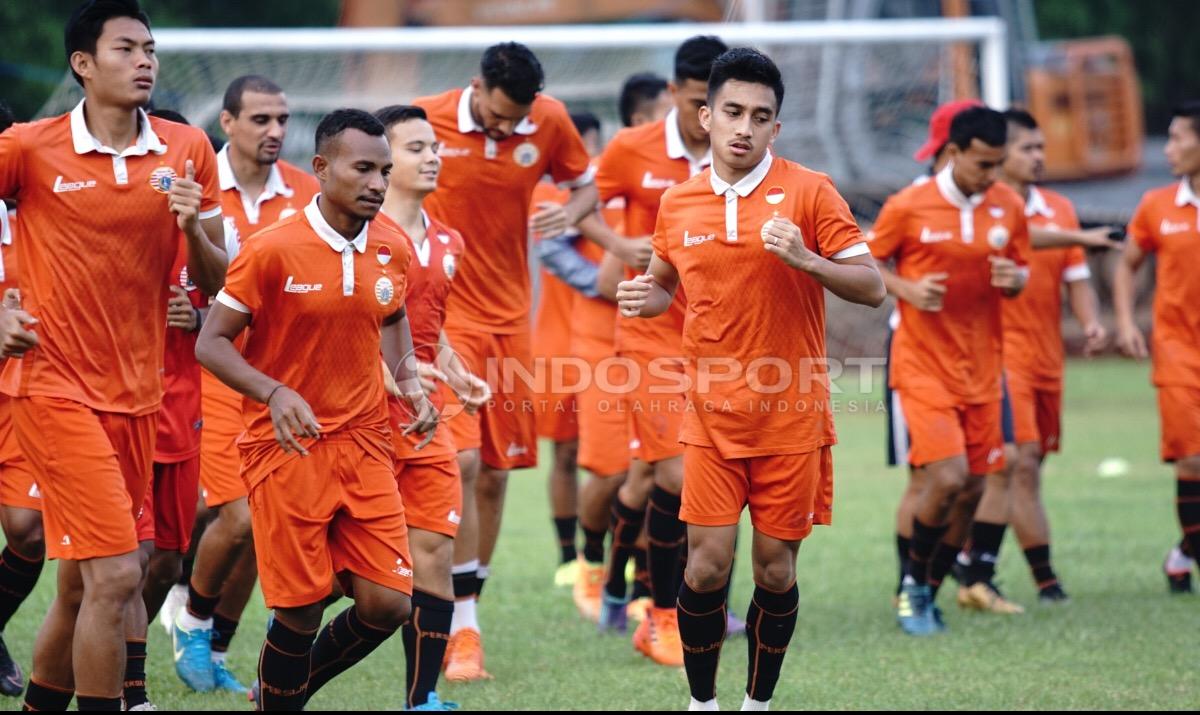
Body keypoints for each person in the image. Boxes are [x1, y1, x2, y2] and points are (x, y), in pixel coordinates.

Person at [617, 47, 883, 710]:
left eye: (760, 116)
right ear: (706, 116)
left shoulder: (809, 190)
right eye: (732, 111)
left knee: (774, 567)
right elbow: (663, 286)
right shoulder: (677, 203)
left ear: (776, 129)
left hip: (790, 413)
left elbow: (873, 286)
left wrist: (807, 260)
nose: (744, 126)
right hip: (709, 414)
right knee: (705, 565)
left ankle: (756, 703)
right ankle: (702, 702)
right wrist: (643, 297)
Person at [0, 2, 227, 708]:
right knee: (118, 576)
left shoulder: (188, 149)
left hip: (140, 396)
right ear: (83, 64)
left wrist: (194, 230)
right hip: (51, 386)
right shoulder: (28, 147)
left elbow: (221, 282)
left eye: (150, 48)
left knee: (78, 586)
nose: (145, 60)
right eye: (126, 47)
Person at [196, 108, 437, 710]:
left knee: (388, 602)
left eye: (384, 169)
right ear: (322, 169)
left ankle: (281, 691)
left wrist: (410, 384)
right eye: (364, 168)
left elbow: (394, 316)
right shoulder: (272, 249)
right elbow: (211, 342)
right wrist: (274, 392)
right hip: (287, 449)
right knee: (299, 614)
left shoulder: (393, 246)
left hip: (365, 443)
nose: (379, 182)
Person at [414, 42, 619, 681]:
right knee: (460, 460)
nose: (507, 132)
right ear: (476, 86)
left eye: (516, 121)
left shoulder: (549, 121)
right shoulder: (424, 122)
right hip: (444, 320)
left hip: (510, 320)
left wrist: (568, 217)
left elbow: (587, 184)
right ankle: (449, 625)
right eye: (498, 118)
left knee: (497, 474)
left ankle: (468, 615)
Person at [171, 73, 319, 695]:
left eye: (281, 119)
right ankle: (192, 622)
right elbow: (188, 279)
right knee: (235, 516)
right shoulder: (204, 191)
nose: (275, 131)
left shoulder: (311, 191)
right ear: (226, 123)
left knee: (267, 525)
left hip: (286, 380)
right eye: (260, 120)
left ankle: (218, 644)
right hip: (220, 376)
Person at [868, 106, 1031, 636]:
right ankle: (912, 585)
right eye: (983, 164)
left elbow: (1021, 273)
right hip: (922, 365)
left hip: (984, 367)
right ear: (954, 153)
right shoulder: (909, 205)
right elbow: (864, 263)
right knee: (945, 477)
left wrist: (1014, 279)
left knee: (974, 488)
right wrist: (908, 289)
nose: (992, 176)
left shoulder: (1008, 205)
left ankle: (928, 591)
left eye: (999, 164)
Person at [594, 33, 727, 665]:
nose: (711, 119)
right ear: (673, 92)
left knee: (651, 476)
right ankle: (663, 614)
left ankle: (624, 587)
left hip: (723, 339)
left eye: (720, 105)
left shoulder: (741, 152)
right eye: (700, 102)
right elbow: (577, 203)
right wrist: (619, 248)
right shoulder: (629, 149)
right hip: (649, 334)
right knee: (680, 471)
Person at [375, 102, 489, 710]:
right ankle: (288, 668)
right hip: (360, 421)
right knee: (350, 577)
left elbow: (430, 328)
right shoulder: (362, 236)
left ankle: (422, 697)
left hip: (425, 419)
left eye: (434, 147)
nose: (432, 157)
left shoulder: (448, 241)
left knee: (435, 554)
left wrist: (456, 373)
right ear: (381, 159)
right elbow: (342, 330)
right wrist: (390, 376)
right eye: (415, 148)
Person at [1114, 100, 1200, 595]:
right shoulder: (1157, 205)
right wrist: (1126, 321)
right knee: (1191, 461)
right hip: (1178, 353)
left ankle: (1183, 550)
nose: (1167, 149)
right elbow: (1128, 265)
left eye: (1176, 138)